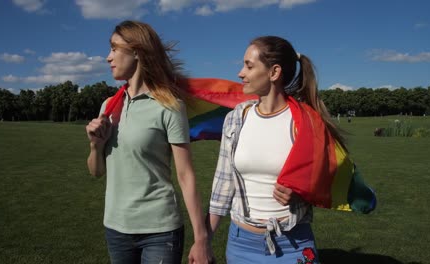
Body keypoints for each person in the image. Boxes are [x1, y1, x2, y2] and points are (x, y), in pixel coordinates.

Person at [206, 36, 348, 263]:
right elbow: (222, 185)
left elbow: (327, 174)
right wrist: (204, 241)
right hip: (241, 245)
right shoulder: (236, 119)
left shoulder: (306, 122)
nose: (240, 73)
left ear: (274, 73)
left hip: (293, 243)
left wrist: (301, 188)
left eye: (249, 66)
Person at [85, 20, 211, 264]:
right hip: (115, 227)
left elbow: (185, 175)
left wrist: (201, 238)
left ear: (136, 51)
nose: (108, 57)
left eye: (114, 48)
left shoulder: (169, 106)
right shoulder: (108, 107)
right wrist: (95, 145)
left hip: (160, 230)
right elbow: (96, 172)